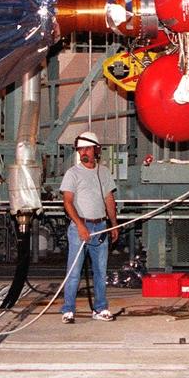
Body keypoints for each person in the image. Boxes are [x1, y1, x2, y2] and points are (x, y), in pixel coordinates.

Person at [59, 131, 119, 324]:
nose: (83, 152)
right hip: (80, 228)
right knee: (74, 271)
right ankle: (68, 309)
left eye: (87, 148)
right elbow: (67, 202)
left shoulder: (104, 172)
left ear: (96, 150)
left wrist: (113, 224)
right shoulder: (73, 173)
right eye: (80, 149)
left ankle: (100, 308)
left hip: (100, 226)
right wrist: (80, 226)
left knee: (101, 271)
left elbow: (109, 199)